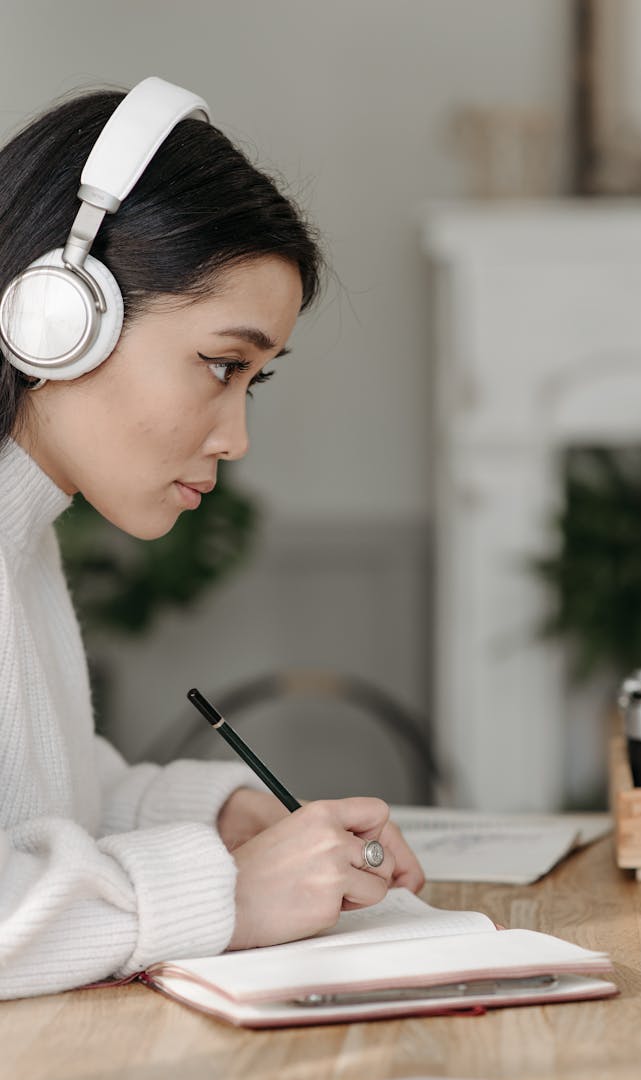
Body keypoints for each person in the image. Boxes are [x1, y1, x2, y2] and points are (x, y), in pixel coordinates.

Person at [0, 77, 424, 1000]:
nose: (235, 438)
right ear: (59, 317)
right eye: (221, 365)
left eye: (253, 382)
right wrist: (229, 893)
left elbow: (32, 798)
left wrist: (219, 816)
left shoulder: (20, 539)